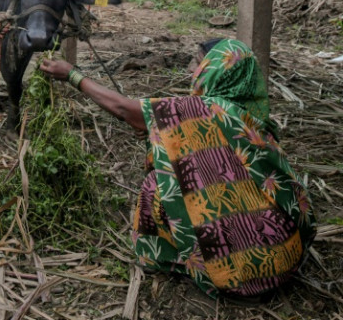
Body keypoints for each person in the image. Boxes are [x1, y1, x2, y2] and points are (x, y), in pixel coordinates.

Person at [39, 39, 316, 299]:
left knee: (157, 186)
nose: (191, 70)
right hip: (286, 252)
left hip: (242, 275)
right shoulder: (251, 114)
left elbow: (125, 110)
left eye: (197, 63)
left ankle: (176, 259)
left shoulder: (204, 109)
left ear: (215, 71)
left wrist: (72, 75)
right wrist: (158, 130)